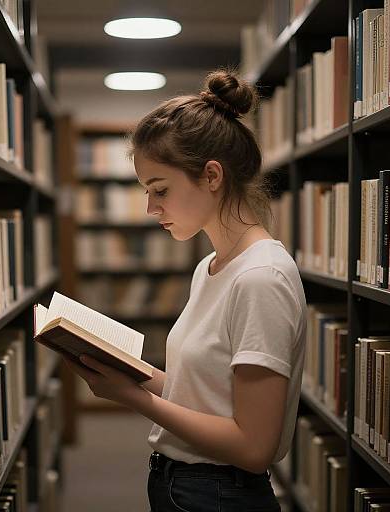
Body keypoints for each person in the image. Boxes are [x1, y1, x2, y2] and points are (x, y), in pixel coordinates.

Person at [63, 68, 307, 512]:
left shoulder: (260, 279)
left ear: (212, 176)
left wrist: (132, 398)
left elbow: (253, 446)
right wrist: (130, 372)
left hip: (218, 495)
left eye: (160, 190)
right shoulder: (210, 268)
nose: (151, 208)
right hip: (182, 485)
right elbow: (203, 391)